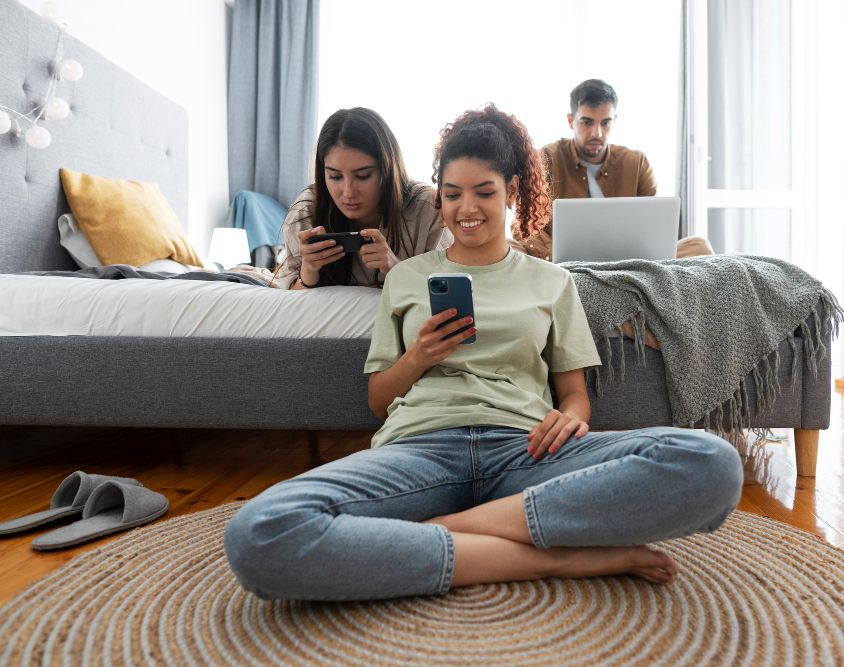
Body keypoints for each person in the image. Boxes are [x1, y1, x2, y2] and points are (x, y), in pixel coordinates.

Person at [224, 104, 743, 602]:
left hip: (527, 448)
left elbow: (574, 394)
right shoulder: (405, 276)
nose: (466, 209)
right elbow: (379, 401)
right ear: (439, 201)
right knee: (260, 531)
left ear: (510, 191)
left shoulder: (553, 281)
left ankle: (447, 533)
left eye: (483, 192)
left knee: (711, 462)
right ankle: (554, 557)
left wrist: (571, 419)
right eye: (452, 195)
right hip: (422, 448)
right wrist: (419, 356)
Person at [512, 79, 712, 261]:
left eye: (605, 123)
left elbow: (653, 228)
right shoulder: (545, 159)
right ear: (571, 120)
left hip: (629, 258)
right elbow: (522, 226)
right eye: (586, 122)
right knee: (508, 248)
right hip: (560, 259)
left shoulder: (637, 162)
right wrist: (555, 258)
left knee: (700, 246)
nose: (597, 133)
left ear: (614, 120)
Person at [275, 107, 452, 289]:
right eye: (335, 177)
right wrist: (309, 269)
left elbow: (444, 293)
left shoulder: (426, 206)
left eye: (363, 176)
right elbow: (290, 301)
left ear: (388, 170)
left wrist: (395, 267)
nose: (348, 192)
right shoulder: (309, 207)